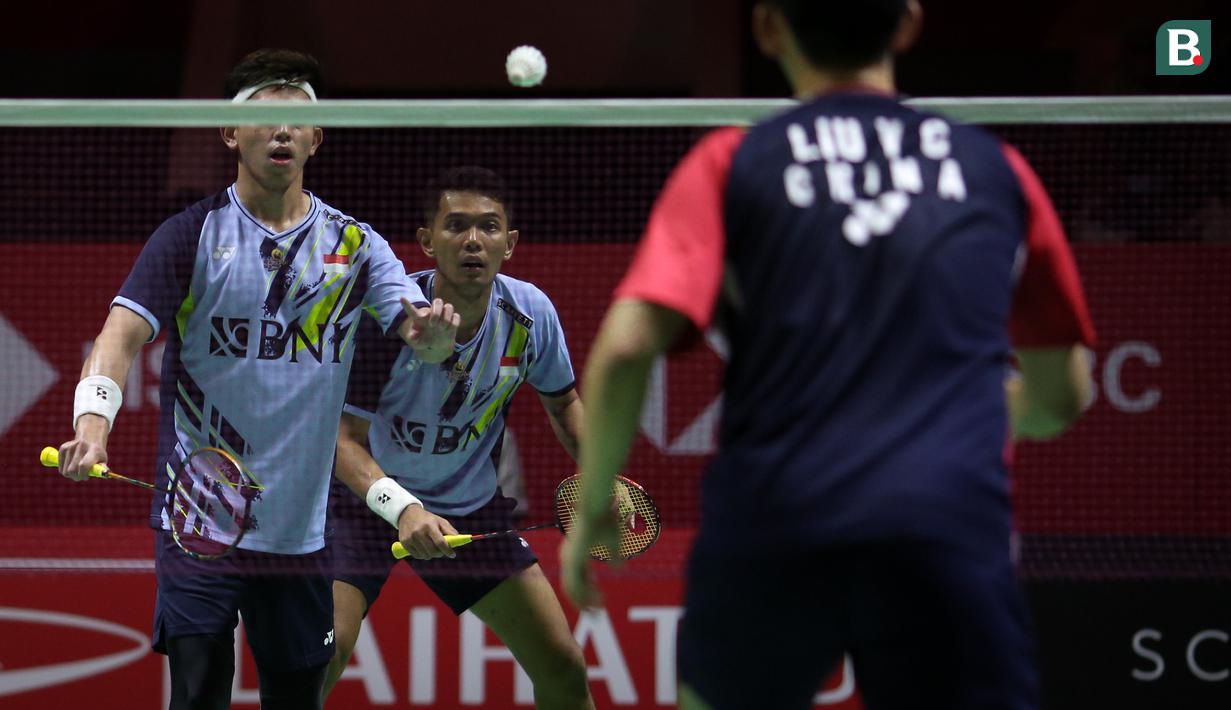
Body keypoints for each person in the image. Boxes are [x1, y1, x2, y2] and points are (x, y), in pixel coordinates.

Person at [561, 2, 1096, 709]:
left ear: (769, 28)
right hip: (945, 528)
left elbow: (626, 350)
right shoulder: (994, 170)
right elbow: (1063, 395)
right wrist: (984, 410)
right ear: (906, 25)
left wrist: (594, 504)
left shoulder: (731, 160)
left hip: (774, 524)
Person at [54, 48, 459, 710]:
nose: (282, 132)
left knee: (296, 702)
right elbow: (117, 337)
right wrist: (92, 428)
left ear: (316, 137)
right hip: (199, 517)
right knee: (196, 695)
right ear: (228, 131)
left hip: (299, 531)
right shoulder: (190, 236)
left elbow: (415, 327)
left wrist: (433, 337)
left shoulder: (355, 247)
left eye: (297, 121)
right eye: (264, 119)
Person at [324, 166, 593, 709]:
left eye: (490, 227)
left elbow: (562, 402)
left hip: (468, 510)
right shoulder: (388, 318)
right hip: (365, 504)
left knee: (563, 668)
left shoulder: (529, 315)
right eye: (457, 226)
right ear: (427, 241)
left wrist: (603, 474)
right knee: (321, 653)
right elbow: (342, 442)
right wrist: (402, 509)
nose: (474, 241)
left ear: (510, 244)